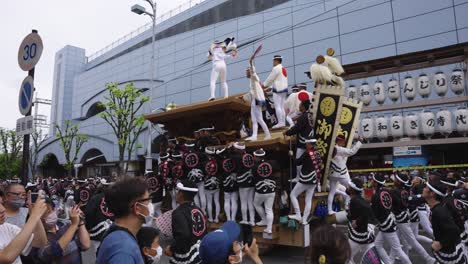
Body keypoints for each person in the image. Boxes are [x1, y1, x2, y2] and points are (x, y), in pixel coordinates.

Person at [97, 177, 152, 264]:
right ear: (137, 208)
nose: (150, 204)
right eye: (148, 200)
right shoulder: (123, 250)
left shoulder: (118, 235)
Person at [389, 173, 434, 263]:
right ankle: (392, 260)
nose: (394, 180)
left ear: (399, 182)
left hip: (402, 221)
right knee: (398, 242)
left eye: (396, 179)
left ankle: (429, 259)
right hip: (403, 219)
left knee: (412, 241)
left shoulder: (395, 191)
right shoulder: (404, 191)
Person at [370, 173, 411, 264]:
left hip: (386, 225)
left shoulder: (376, 196)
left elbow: (374, 214)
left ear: (376, 183)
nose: (371, 181)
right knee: (377, 245)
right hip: (389, 222)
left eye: (373, 180)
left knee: (398, 251)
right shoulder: (386, 191)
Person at [423, 179, 466, 263]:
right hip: (447, 250)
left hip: (450, 253)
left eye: (426, 187)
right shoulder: (437, 208)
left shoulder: (439, 211)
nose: (423, 189)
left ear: (432, 193)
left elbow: (455, 230)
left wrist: (441, 243)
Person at [34, 199, 91, 263]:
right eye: (48, 212)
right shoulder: (38, 238)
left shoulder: (65, 226)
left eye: (53, 209)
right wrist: (74, 225)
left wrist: (80, 221)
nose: (53, 213)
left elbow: (85, 245)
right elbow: (53, 252)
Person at [0, 189, 48, 264]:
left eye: (1, 203)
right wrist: (34, 216)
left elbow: (40, 242)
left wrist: (32, 212)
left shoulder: (6, 227)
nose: (3, 209)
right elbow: (6, 258)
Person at [166, 180, 207, 264]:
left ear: (181, 194)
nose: (176, 193)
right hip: (201, 253)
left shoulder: (178, 212)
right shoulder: (198, 210)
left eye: (178, 191)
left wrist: (171, 248)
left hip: (186, 256)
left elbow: (183, 236)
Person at [288, 137, 321, 225]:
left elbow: (297, 162)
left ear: (309, 144)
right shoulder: (317, 153)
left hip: (305, 179)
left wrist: (291, 156)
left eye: (306, 144)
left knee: (293, 195)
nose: (306, 145)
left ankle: (298, 214)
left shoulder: (307, 153)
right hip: (314, 179)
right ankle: (304, 219)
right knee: (308, 199)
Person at [327, 136, 362, 215]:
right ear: (339, 141)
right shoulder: (338, 149)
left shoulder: (331, 148)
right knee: (351, 188)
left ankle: (329, 210)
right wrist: (359, 142)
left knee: (332, 191)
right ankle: (347, 206)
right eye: (343, 142)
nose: (344, 143)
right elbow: (352, 152)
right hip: (340, 173)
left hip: (332, 173)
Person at [284, 97, 314, 183]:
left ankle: (298, 177)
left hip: (302, 142)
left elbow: (297, 128)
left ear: (304, 107)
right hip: (310, 141)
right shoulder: (310, 115)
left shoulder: (303, 117)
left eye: (300, 105)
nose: (299, 107)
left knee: (299, 160)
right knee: (311, 161)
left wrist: (287, 132)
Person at [345, 178, 375, 262]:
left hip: (358, 236)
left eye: (349, 186)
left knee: (346, 257)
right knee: (373, 259)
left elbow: (368, 210)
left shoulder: (355, 200)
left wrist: (357, 221)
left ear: (352, 189)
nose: (347, 187)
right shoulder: (357, 198)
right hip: (365, 236)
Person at [244, 58, 271, 141]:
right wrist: (244, 97)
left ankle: (268, 134)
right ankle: (254, 136)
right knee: (254, 120)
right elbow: (251, 93)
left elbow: (253, 72)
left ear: (250, 71)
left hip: (256, 100)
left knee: (259, 119)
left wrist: (251, 62)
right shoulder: (253, 80)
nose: (246, 73)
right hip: (254, 101)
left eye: (247, 71)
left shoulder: (254, 76)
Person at [252, 149, 276, 234]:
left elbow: (253, 177)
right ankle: (269, 228)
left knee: (256, 204)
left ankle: (264, 219)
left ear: (256, 157)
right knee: (269, 209)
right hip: (271, 189)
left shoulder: (255, 166)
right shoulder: (272, 163)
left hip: (261, 190)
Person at [232, 142, 256, 226]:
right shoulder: (250, 156)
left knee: (243, 202)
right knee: (251, 202)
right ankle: (252, 220)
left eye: (235, 148)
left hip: (243, 182)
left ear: (238, 149)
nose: (234, 149)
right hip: (251, 181)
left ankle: (245, 219)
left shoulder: (237, 157)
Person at [262, 55, 288, 128]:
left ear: (276, 61)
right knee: (282, 107)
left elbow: (270, 78)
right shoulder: (283, 68)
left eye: (273, 61)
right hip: (284, 89)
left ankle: (280, 122)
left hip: (278, 90)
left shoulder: (276, 68)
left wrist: (263, 85)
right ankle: (283, 122)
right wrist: (270, 87)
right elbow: (279, 80)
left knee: (277, 106)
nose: (273, 62)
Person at [217, 147, 238, 222]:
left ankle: (229, 218)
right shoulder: (233, 159)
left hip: (225, 181)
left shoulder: (220, 162)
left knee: (227, 200)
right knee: (234, 201)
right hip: (234, 180)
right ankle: (233, 218)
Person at [204, 147, 221, 223]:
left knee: (209, 202)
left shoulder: (204, 162)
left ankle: (210, 218)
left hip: (207, 183)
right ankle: (216, 218)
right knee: (217, 201)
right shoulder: (217, 161)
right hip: (216, 183)